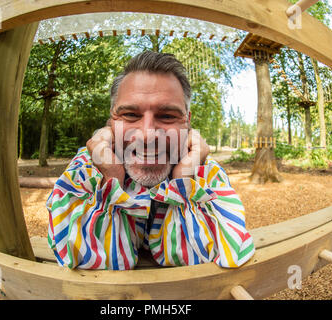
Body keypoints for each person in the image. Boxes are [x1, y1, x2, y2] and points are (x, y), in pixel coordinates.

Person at [46, 51, 255, 270]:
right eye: (130, 114)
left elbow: (230, 253)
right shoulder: (88, 165)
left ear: (188, 122)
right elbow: (83, 260)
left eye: (167, 116)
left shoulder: (203, 168)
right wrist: (111, 178)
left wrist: (184, 180)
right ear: (111, 120)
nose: (147, 135)